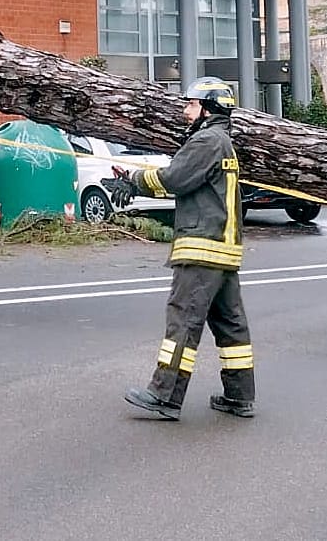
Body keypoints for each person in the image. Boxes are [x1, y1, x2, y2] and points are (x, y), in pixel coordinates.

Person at [100, 76, 255, 421]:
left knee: (184, 321)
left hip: (202, 249)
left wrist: (134, 182)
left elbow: (175, 179)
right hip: (223, 250)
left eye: (191, 104)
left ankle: (165, 395)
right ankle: (240, 395)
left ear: (207, 108)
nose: (186, 111)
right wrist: (135, 180)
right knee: (231, 325)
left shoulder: (206, 142)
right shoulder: (222, 142)